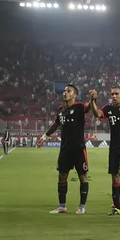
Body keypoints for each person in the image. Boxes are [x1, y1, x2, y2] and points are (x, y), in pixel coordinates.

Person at [89, 67, 120, 216]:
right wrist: (92, 101)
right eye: (112, 94)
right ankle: (117, 208)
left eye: (117, 94)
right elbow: (98, 114)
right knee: (114, 177)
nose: (114, 96)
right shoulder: (108, 108)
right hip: (114, 147)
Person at [37, 84, 91, 215]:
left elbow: (88, 108)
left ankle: (82, 206)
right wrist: (45, 137)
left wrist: (92, 99)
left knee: (82, 176)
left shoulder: (79, 107)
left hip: (79, 149)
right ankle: (62, 206)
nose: (65, 93)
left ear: (75, 95)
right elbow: (56, 124)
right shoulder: (61, 109)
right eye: (65, 91)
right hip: (65, 149)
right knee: (62, 176)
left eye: (68, 91)